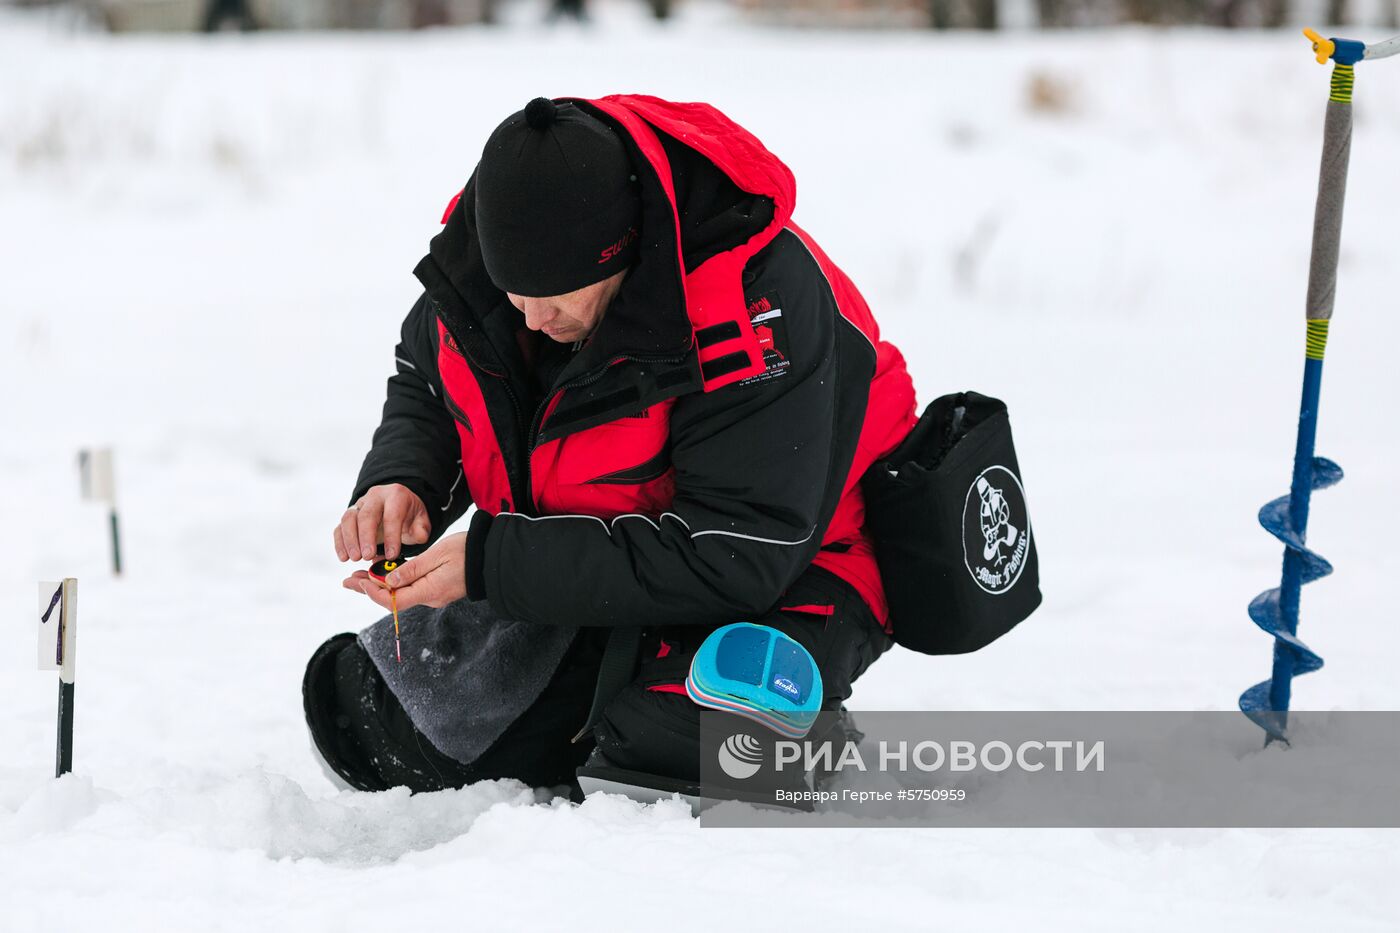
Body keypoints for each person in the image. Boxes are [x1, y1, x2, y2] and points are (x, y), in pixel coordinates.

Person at [303, 94, 917, 796]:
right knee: (369, 710)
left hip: (800, 560)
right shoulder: (489, 260)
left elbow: (734, 550)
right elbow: (432, 377)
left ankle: (784, 718)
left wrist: (491, 563)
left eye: (557, 294)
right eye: (514, 293)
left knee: (663, 742)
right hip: (612, 548)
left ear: (620, 250)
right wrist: (407, 478)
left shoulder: (756, 307)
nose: (532, 319)